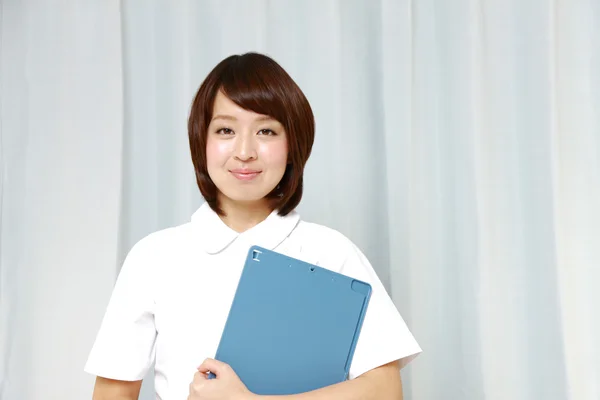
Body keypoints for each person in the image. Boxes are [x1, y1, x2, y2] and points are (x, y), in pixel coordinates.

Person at [85, 52, 421, 400]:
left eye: (266, 131)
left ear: (293, 145)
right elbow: (113, 390)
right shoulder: (154, 257)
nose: (245, 151)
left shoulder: (332, 253)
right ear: (201, 140)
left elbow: (384, 389)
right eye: (226, 130)